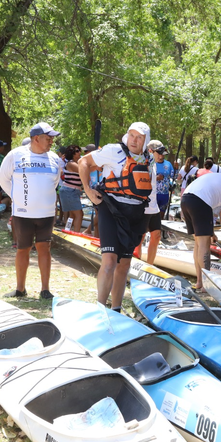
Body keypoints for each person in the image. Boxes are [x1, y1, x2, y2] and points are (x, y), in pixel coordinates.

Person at [78, 122, 152, 312]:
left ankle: (116, 309)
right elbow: (84, 162)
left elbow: (147, 191)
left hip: (135, 213)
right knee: (110, 261)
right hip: (110, 208)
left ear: (146, 140)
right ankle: (100, 308)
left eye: (140, 137)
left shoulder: (148, 159)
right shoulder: (113, 151)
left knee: (124, 264)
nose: (135, 140)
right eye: (132, 135)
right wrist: (88, 190)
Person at [0, 122, 63, 299]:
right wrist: (17, 197)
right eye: (48, 139)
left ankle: (45, 290)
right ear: (36, 138)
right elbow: (3, 179)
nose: (51, 142)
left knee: (45, 248)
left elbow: (54, 182)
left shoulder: (55, 159)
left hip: (47, 214)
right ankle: (20, 289)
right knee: (23, 249)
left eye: (52, 139)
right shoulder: (15, 155)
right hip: (23, 214)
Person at [134, 139, 165, 264]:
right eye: (159, 152)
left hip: (154, 206)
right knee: (139, 237)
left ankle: (150, 266)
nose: (162, 155)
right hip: (143, 206)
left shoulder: (155, 164)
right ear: (150, 151)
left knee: (156, 236)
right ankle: (135, 263)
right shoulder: (142, 162)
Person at [58, 145, 83, 232]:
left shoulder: (75, 163)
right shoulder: (71, 163)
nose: (79, 152)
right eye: (77, 151)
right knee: (79, 214)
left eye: (79, 150)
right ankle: (76, 235)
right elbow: (83, 171)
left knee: (72, 215)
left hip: (71, 191)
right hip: (69, 191)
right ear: (71, 153)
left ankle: (67, 230)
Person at [149, 140, 174, 217]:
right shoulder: (150, 163)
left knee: (161, 216)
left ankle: (160, 228)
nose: (161, 156)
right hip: (153, 194)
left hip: (165, 194)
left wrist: (172, 184)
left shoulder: (168, 164)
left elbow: (173, 177)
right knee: (151, 216)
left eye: (163, 155)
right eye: (159, 154)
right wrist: (156, 178)